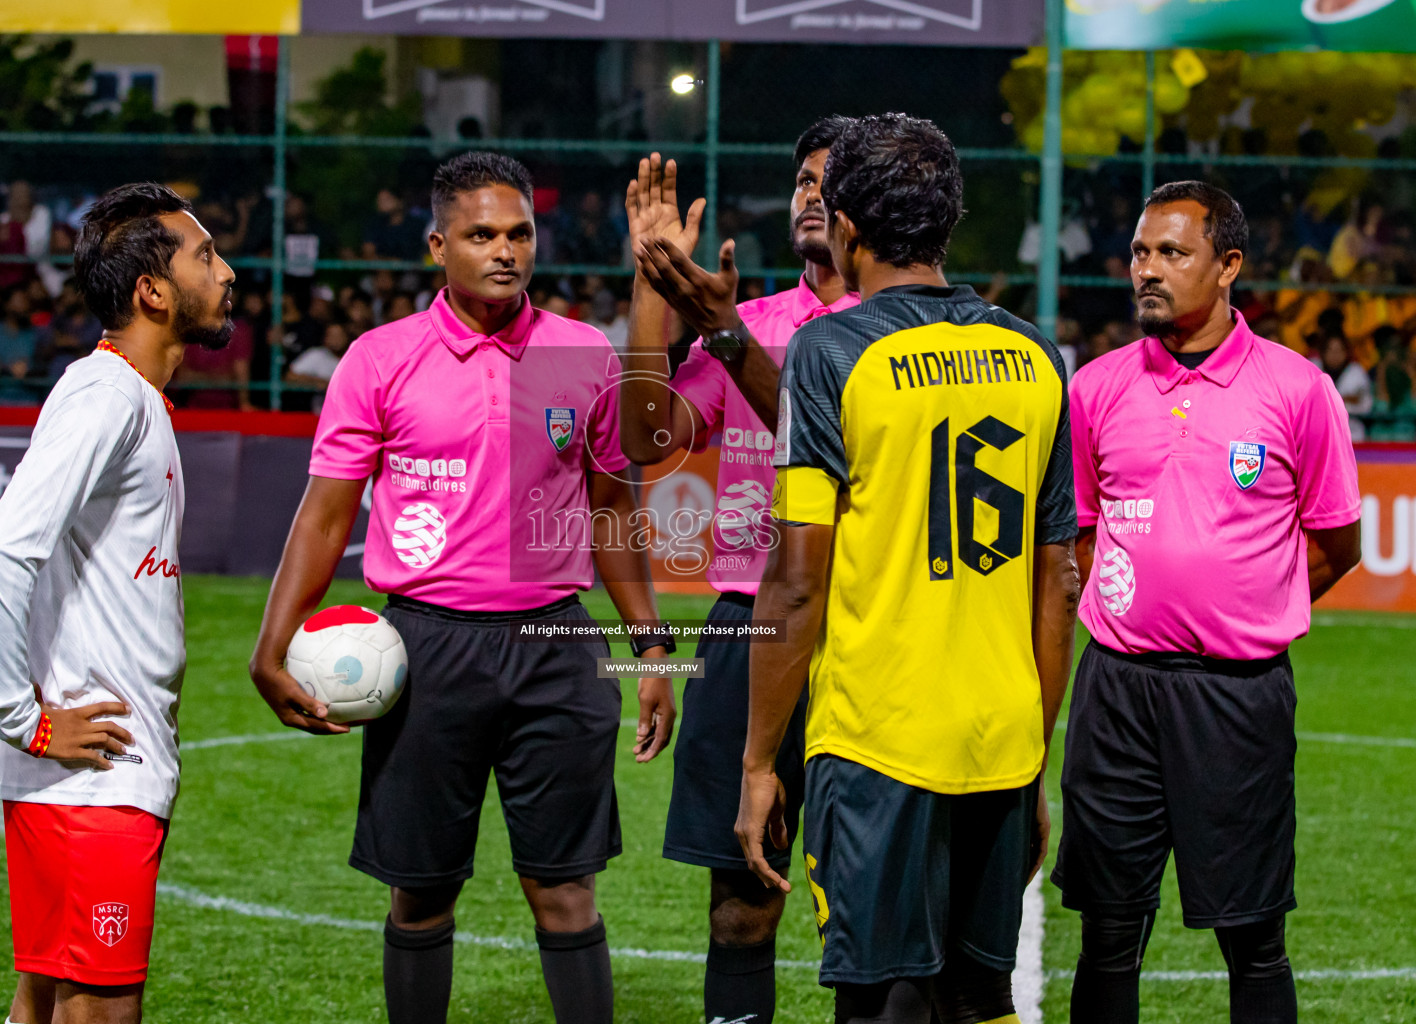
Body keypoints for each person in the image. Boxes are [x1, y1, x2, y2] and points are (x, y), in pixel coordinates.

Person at [248, 152, 677, 1024]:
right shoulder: (379, 359)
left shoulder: (582, 353)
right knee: (421, 893)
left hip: (557, 644)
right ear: (439, 245)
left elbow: (609, 508)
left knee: (565, 892)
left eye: (519, 233)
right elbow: (325, 517)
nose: (505, 251)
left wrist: (652, 645)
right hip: (425, 647)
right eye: (482, 234)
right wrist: (271, 643)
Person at [736, 113, 1080, 1024]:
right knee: (979, 998)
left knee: (883, 996)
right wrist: (1032, 754)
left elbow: (797, 580)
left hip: (879, 737)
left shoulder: (831, 351)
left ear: (845, 225)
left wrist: (760, 760)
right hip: (1002, 737)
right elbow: (1058, 580)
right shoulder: (1036, 354)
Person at [1053, 181, 1363, 1024]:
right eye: (1140, 253)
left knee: (1253, 938)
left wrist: (1244, 605)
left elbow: (1335, 546)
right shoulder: (1095, 389)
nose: (1146, 271)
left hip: (1238, 696)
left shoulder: (1299, 390)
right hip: (1116, 691)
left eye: (1171, 253)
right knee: (1109, 933)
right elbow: (1079, 535)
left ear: (1227, 265)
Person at [0, 181, 235, 1024]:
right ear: (153, 292)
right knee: (98, 1011)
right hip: (92, 783)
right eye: (204, 255)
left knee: (42, 1002)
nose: (226, 271)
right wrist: (25, 718)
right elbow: (2, 548)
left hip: (85, 782)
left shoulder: (133, 400)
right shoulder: (105, 396)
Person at [617, 116, 861, 1024]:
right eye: (801, 178)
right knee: (739, 911)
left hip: (866, 629)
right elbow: (644, 435)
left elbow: (821, 438)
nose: (809, 193)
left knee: (869, 910)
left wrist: (716, 332)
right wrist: (654, 285)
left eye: (830, 181)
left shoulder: (896, 335)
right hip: (746, 622)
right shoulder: (747, 318)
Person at [0, 286, 44, 406]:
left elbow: (45, 366)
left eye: (25, 301)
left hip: (28, 398)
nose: (23, 306)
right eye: (18, 301)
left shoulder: (35, 334)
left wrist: (29, 370)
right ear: (7, 305)